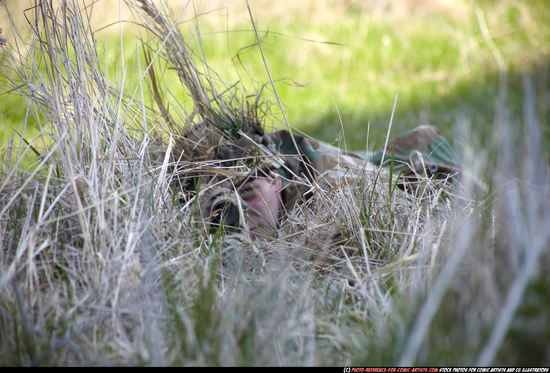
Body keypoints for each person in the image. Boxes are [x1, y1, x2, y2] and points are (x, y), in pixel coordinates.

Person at [197, 124, 460, 240]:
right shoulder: (216, 200)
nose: (247, 216)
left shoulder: (331, 191)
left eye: (249, 197)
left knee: (428, 162)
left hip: (332, 170)